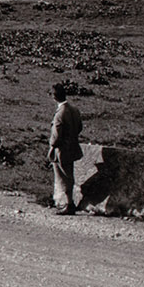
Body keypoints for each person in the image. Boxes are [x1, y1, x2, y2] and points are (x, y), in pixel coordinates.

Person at [48, 82, 83, 215]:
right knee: (69, 175)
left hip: (62, 150)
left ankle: (69, 204)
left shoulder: (60, 114)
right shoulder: (74, 110)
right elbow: (79, 127)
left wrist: (52, 145)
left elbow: (56, 136)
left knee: (64, 177)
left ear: (54, 97)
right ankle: (70, 203)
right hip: (73, 146)